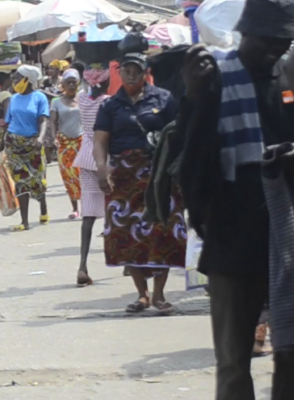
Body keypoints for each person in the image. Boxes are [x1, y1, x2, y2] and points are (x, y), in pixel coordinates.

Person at [181, 1, 294, 396]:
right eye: (267, 41)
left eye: (282, 42)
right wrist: (195, 96)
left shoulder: (293, 78)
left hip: (289, 228)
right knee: (234, 358)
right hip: (231, 229)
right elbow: (190, 158)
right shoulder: (213, 76)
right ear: (246, 33)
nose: (274, 50)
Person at [93, 52, 185, 313]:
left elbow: (178, 134)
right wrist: (101, 168)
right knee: (124, 232)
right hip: (123, 175)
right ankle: (141, 294)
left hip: (159, 173)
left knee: (163, 229)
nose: (132, 74)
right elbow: (100, 140)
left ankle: (159, 294)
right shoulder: (110, 105)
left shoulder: (164, 99)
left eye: (137, 70)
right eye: (127, 70)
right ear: (119, 73)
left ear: (145, 72)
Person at [73, 63, 111, 287]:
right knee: (114, 210)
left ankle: (82, 266)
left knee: (87, 215)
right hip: (105, 157)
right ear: (106, 81)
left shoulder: (82, 99)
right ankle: (124, 261)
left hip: (85, 155)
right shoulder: (108, 102)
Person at [5, 65, 50, 231]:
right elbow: (8, 122)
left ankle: (43, 205)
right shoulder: (13, 98)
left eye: (17, 78)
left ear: (27, 80)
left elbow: (43, 120)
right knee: (21, 180)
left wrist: (41, 137)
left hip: (33, 144)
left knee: (36, 178)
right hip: (13, 143)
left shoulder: (39, 98)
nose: (14, 81)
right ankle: (25, 221)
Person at [50, 69, 83, 220]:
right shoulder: (56, 102)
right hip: (64, 143)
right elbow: (53, 122)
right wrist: (54, 138)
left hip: (81, 142)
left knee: (84, 175)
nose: (71, 85)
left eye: (73, 83)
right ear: (63, 84)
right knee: (68, 176)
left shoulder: (83, 100)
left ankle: (87, 206)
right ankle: (75, 208)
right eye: (68, 82)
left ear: (78, 84)